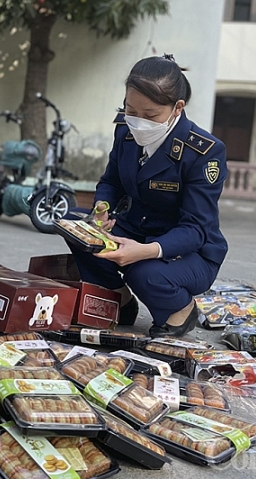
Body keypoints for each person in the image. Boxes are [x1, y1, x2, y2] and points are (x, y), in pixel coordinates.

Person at [67, 55, 228, 338]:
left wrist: (144, 251)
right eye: (131, 111)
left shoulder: (204, 152)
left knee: (142, 272)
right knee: (75, 227)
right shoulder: (125, 131)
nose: (138, 123)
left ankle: (182, 309)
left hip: (188, 249)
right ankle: (119, 299)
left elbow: (196, 229)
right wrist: (101, 210)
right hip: (135, 227)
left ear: (178, 107)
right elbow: (111, 182)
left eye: (151, 115)